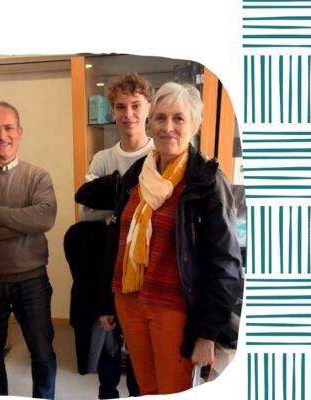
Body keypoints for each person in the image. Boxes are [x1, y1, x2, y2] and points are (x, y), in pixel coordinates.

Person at [75, 82, 242, 395]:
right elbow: (117, 239)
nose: (168, 127)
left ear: (195, 125)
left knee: (173, 390)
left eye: (179, 118)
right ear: (150, 123)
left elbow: (225, 262)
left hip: (174, 311)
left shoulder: (206, 180)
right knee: (145, 387)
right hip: (130, 302)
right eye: (161, 118)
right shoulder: (138, 173)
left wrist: (207, 333)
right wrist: (106, 300)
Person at [0, 101, 58, 399]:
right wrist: (23, 223)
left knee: (42, 353)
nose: (2, 135)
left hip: (33, 280)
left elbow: (44, 218)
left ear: (19, 132)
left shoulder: (38, 176)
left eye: (8, 128)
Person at [77, 73, 153, 398]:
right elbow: (86, 211)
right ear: (112, 111)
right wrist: (132, 212)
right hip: (108, 267)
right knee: (109, 346)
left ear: (148, 108)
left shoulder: (160, 155)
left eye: (136, 106)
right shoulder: (103, 159)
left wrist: (112, 208)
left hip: (148, 269)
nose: (128, 114)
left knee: (141, 354)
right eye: (121, 107)